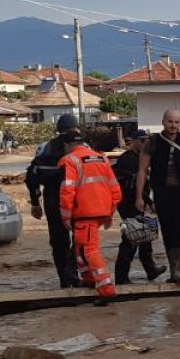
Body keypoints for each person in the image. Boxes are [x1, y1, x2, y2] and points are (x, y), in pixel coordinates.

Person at [136, 110, 180, 283]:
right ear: (163, 122)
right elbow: (142, 170)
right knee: (167, 230)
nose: (173, 125)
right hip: (162, 193)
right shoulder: (152, 142)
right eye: (170, 121)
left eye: (176, 122)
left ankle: (178, 270)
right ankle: (173, 270)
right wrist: (139, 197)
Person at [58, 124, 122, 304]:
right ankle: (89, 281)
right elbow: (114, 187)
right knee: (81, 250)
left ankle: (106, 289)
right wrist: (110, 211)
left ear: (67, 145)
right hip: (101, 210)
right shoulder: (100, 158)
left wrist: (65, 216)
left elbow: (67, 191)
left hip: (84, 212)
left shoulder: (69, 160)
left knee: (88, 251)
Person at [25, 114, 85, 288]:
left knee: (59, 241)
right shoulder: (83, 146)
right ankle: (73, 273)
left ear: (58, 129)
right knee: (82, 237)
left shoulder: (44, 148)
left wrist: (35, 202)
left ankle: (64, 279)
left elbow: (32, 178)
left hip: (52, 199)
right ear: (76, 128)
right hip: (77, 199)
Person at [113, 129, 166, 286]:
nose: (145, 144)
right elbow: (133, 185)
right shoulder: (128, 159)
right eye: (142, 141)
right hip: (130, 203)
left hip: (141, 202)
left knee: (146, 235)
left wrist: (148, 201)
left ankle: (150, 269)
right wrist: (144, 200)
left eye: (146, 141)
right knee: (131, 239)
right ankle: (121, 276)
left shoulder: (141, 157)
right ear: (133, 141)